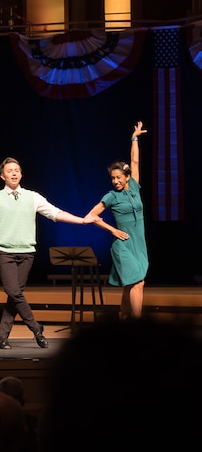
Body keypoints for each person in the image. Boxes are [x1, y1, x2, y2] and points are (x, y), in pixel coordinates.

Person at [0, 157, 89, 350]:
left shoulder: (33, 197)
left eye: (17, 170)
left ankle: (2, 338)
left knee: (15, 296)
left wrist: (81, 221)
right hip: (5, 253)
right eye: (9, 170)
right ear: (2, 176)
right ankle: (36, 328)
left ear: (21, 174)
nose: (13, 173)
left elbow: (55, 213)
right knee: (13, 292)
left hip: (27, 253)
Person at [85, 121, 149, 320]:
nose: (116, 181)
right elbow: (91, 216)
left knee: (131, 285)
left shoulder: (135, 187)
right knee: (138, 283)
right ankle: (138, 326)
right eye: (113, 178)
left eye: (119, 177)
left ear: (127, 177)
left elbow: (135, 161)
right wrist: (112, 230)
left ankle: (123, 321)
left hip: (139, 244)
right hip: (123, 245)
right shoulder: (111, 196)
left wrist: (134, 138)